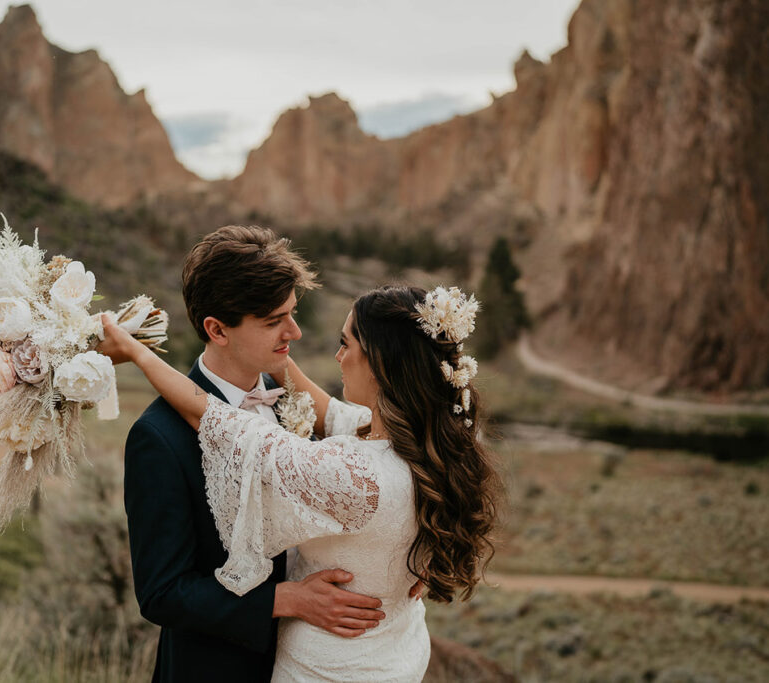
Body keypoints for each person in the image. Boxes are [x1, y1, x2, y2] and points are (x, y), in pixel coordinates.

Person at [100, 282, 503, 682]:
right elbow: (326, 410)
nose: (335, 355)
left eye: (346, 345)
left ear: (381, 365)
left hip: (326, 670)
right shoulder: (424, 438)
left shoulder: (351, 471)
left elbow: (212, 417)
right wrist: (274, 349)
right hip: (395, 652)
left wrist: (137, 352)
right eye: (279, 318)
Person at [111, 226, 389, 683]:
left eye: (292, 314)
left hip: (313, 663)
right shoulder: (157, 437)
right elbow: (162, 593)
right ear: (217, 329)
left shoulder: (295, 402)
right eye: (273, 320)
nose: (294, 332)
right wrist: (290, 599)